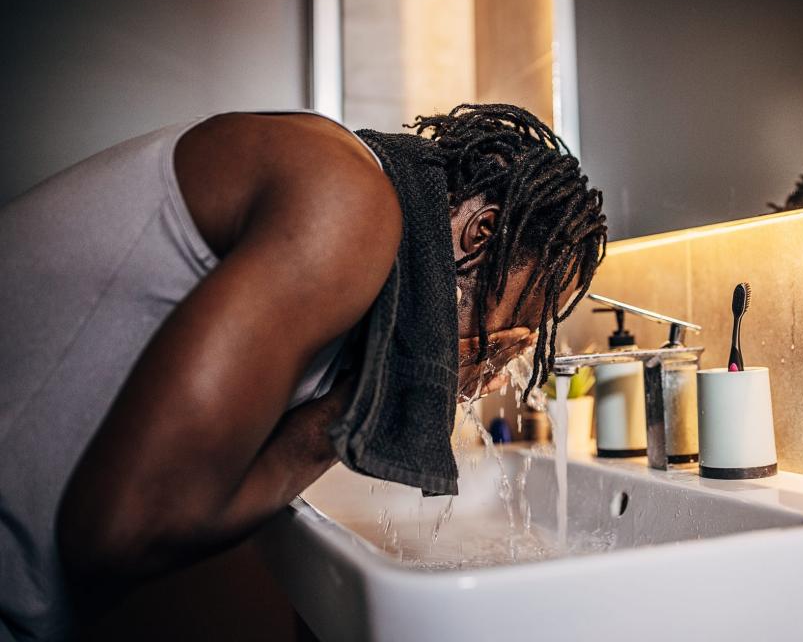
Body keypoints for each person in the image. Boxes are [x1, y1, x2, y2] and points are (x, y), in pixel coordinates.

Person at [0, 103, 607, 640]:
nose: (503, 363)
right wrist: (354, 409)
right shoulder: (345, 200)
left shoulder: (348, 222)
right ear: (482, 234)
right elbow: (120, 532)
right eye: (521, 327)